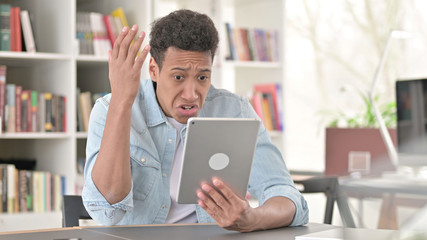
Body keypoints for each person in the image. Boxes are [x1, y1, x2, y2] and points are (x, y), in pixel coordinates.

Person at [82, 9, 309, 232]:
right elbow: (107, 211)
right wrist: (122, 102)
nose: (191, 93)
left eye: (202, 77)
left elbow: (289, 199)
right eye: (178, 77)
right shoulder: (109, 109)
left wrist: (253, 218)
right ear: (153, 69)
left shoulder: (233, 110)